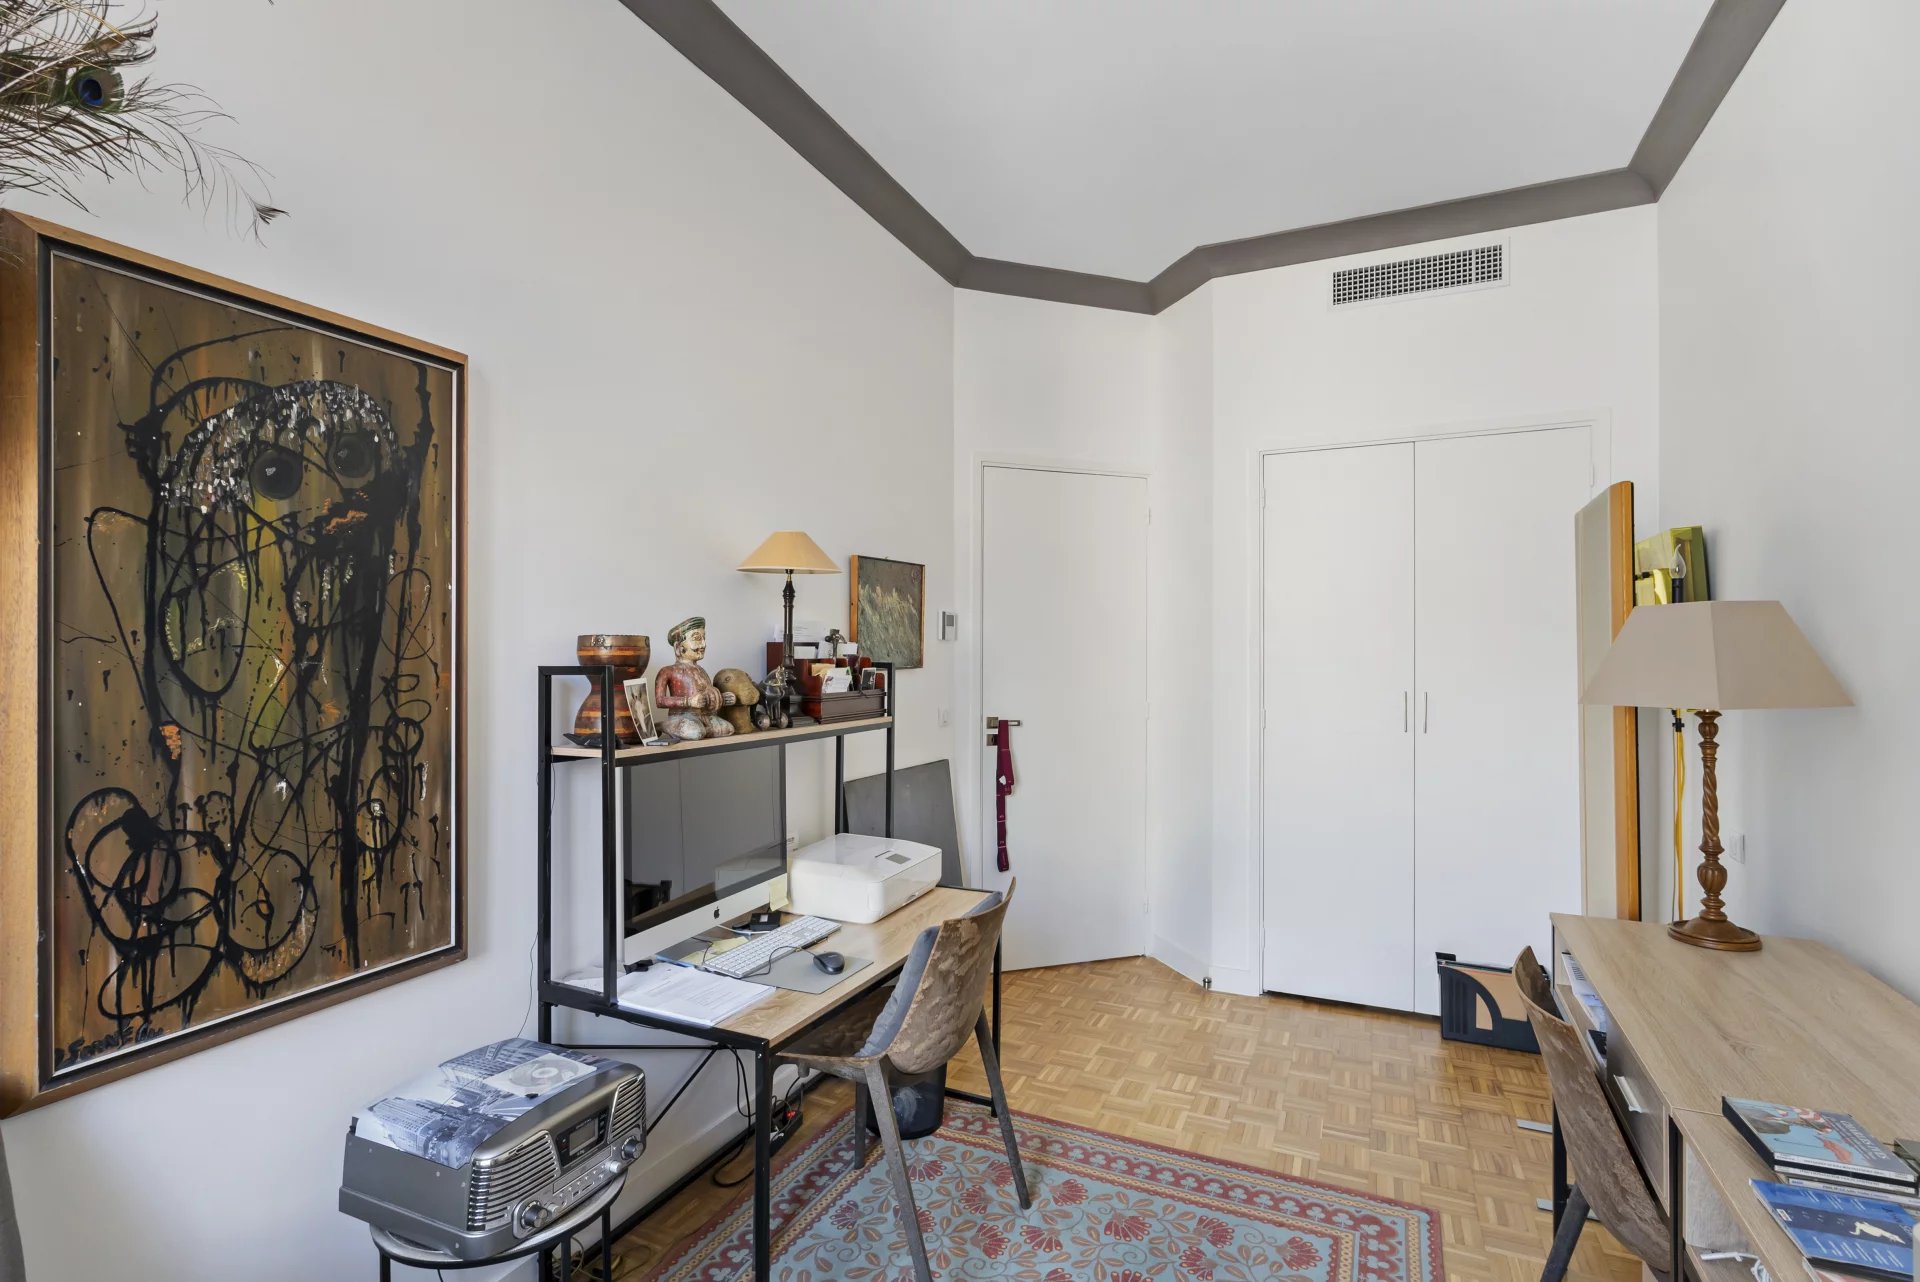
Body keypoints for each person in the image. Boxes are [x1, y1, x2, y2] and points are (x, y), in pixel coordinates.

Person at [653, 616, 735, 740]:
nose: (703, 644)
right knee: (696, 733)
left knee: (728, 729)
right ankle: (663, 725)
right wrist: (689, 701)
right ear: (678, 647)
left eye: (703, 638)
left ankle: (701, 730)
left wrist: (722, 698)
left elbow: (706, 697)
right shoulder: (667, 671)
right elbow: (660, 701)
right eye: (696, 639)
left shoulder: (701, 670)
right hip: (682, 716)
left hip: (704, 716)